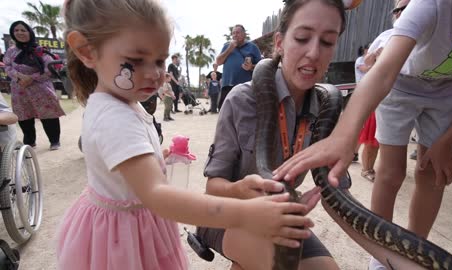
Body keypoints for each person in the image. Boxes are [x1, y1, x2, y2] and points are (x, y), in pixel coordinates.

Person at [56, 1, 316, 269]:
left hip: (129, 222)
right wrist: (246, 214)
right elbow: (156, 195)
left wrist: (154, 158)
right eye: (136, 60)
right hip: (123, 240)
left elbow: (125, 170)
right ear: (87, 51)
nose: (156, 73)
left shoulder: (120, 102)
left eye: (160, 60)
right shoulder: (114, 117)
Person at [273, 0, 452, 269]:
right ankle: (381, 259)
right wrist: (344, 135)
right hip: (399, 85)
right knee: (391, 172)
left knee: (432, 174)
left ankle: (411, 255)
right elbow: (381, 72)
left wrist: (447, 139)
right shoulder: (431, 5)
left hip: (451, 91)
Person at [196, 1, 350, 269]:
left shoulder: (328, 107)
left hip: (279, 216)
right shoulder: (242, 99)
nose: (314, 53)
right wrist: (243, 191)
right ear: (279, 42)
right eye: (302, 38)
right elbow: (213, 187)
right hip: (225, 213)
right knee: (273, 263)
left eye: (327, 41)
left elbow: (339, 194)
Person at [4, 20, 65, 150]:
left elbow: (50, 69)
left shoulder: (41, 50)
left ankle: (54, 141)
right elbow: (7, 66)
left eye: (23, 30)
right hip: (20, 89)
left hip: (41, 88)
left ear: (29, 33)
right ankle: (29, 142)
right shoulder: (10, 51)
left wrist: (31, 78)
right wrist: (19, 76)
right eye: (16, 30)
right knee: (24, 116)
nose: (19, 32)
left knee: (48, 114)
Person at [216, 24, 261, 111]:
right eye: (233, 33)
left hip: (245, 86)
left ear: (244, 34)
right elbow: (218, 61)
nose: (235, 35)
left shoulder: (253, 47)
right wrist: (230, 48)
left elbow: (260, 65)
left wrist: (251, 67)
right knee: (226, 113)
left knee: (244, 113)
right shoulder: (227, 46)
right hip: (227, 86)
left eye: (237, 32)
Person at [354, 43, 380, 182]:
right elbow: (365, 69)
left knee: (364, 131)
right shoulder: (361, 60)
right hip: (367, 98)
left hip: (381, 101)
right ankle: (367, 168)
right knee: (369, 135)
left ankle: (353, 153)